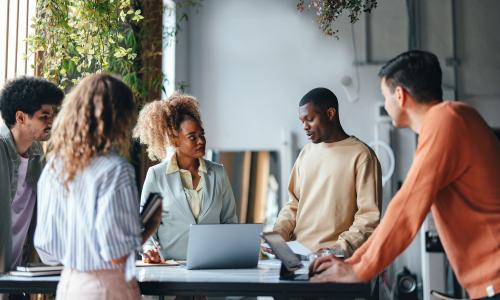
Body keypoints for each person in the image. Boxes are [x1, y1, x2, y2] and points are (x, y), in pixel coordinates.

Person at [309, 50, 500, 299]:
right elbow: (403, 206)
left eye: (385, 97)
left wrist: (360, 270)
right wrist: (354, 263)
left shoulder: (446, 120)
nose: (386, 104)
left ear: (400, 95)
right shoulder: (455, 117)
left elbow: (407, 206)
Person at [34, 74, 161, 300]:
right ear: (121, 119)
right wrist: (149, 226)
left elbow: (47, 249)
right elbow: (117, 254)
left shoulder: (55, 166)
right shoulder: (115, 170)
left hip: (68, 286)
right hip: (107, 288)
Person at [273, 87, 382, 258]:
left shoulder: (362, 156)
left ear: (330, 114)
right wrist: (276, 238)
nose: (305, 127)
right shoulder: (306, 153)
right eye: (302, 121)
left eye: (309, 119)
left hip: (336, 261)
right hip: (296, 257)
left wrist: (338, 249)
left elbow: (368, 218)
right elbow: (293, 205)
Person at [133, 93, 238, 261]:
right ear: (175, 141)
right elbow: (146, 229)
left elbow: (230, 222)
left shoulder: (218, 173)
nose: (201, 141)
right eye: (192, 137)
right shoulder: (156, 176)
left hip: (213, 266)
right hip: (170, 269)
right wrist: (150, 250)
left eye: (202, 134)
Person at [0, 77, 63, 274]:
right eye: (44, 116)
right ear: (20, 117)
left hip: (19, 272)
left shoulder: (38, 156)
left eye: (52, 115)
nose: (51, 122)